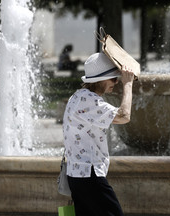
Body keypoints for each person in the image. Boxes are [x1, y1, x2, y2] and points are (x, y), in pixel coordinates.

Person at [62, 52, 134, 216]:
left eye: (118, 79)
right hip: (90, 174)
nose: (116, 83)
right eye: (113, 78)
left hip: (77, 174)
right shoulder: (89, 101)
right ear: (99, 79)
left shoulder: (78, 96)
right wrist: (128, 84)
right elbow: (124, 116)